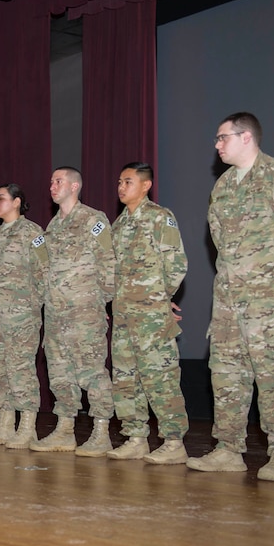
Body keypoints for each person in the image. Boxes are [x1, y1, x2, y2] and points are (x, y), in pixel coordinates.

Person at [186, 112, 274, 481]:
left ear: (246, 137)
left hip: (269, 300)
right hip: (228, 300)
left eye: (222, 137)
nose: (216, 145)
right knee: (225, 374)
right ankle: (228, 449)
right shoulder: (224, 186)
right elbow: (218, 241)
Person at [29, 167, 116, 457]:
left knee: (92, 372)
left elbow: (108, 264)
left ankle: (101, 431)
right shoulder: (52, 227)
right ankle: (65, 430)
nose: (52, 186)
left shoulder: (93, 220)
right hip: (55, 316)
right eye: (51, 181)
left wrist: (98, 301)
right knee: (59, 374)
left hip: (83, 312)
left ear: (75, 185)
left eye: (58, 181)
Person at [107, 163, 189, 463]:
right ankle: (136, 437)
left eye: (128, 181)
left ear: (146, 185)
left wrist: (159, 300)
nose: (121, 186)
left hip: (150, 316)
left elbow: (176, 264)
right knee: (126, 379)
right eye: (119, 181)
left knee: (160, 377)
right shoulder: (118, 226)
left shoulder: (159, 218)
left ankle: (174, 441)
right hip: (124, 317)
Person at [0, 184, 48, 449]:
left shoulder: (32, 233)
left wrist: (31, 307)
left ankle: (27, 426)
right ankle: (4, 425)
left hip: (21, 316)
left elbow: (44, 271)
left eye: (1, 198)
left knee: (20, 370)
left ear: (17, 202)